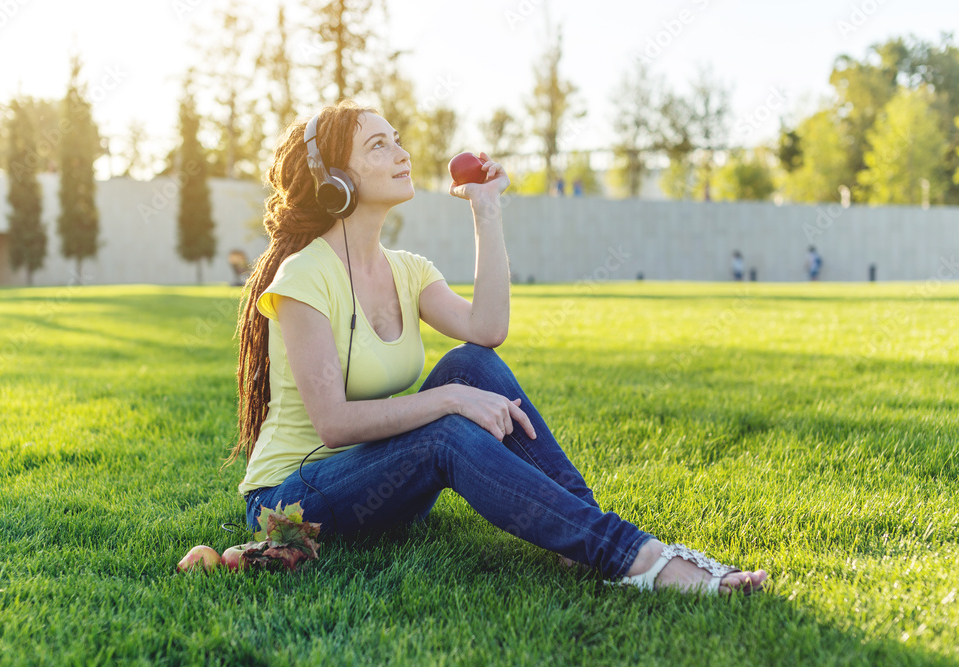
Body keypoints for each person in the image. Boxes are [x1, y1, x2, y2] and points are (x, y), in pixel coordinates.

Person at [221, 100, 768, 596]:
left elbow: (486, 329)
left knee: (471, 363)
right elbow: (334, 426)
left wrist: (486, 208)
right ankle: (636, 558)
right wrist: (449, 400)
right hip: (292, 501)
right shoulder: (303, 275)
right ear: (334, 180)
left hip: (381, 487)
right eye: (378, 145)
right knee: (447, 425)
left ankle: (578, 535)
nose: (402, 152)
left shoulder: (406, 270)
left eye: (397, 138)